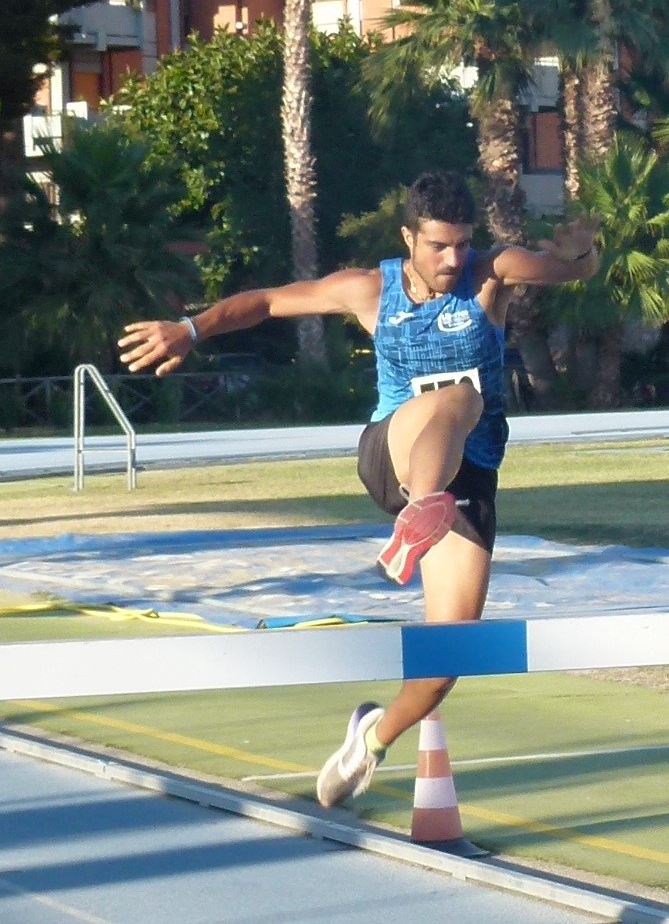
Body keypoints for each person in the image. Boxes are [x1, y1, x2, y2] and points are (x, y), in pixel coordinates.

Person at [118, 170, 600, 810]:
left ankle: (369, 740)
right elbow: (268, 301)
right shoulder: (371, 290)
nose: (453, 260)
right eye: (438, 246)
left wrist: (583, 253)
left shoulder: (491, 274)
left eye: (462, 244)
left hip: (469, 477)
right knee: (459, 397)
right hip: (393, 453)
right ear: (408, 238)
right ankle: (420, 512)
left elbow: (568, 270)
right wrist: (193, 328)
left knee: (447, 658)